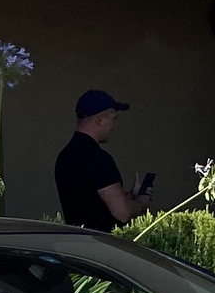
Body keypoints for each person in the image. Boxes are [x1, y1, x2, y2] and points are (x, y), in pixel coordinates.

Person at [54, 90, 151, 230]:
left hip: (76, 242)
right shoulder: (97, 158)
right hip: (102, 245)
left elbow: (91, 200)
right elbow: (122, 213)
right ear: (100, 120)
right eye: (113, 119)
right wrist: (140, 204)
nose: (113, 127)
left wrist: (130, 195)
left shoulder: (65, 155)